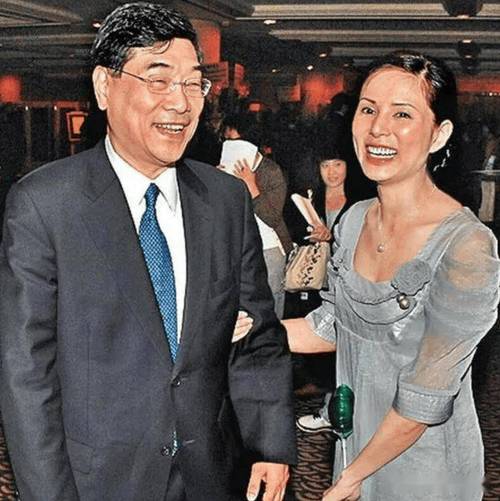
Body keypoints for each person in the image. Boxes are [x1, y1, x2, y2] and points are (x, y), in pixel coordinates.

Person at [0, 4, 296, 501]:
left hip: (211, 475)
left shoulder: (224, 201)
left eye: (193, 84)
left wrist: (270, 444)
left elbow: (258, 337)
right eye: (159, 80)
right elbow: (26, 376)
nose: (180, 103)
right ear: (104, 86)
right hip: (98, 480)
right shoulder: (45, 205)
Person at [234, 52, 500, 500]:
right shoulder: (354, 220)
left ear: (439, 135)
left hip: (425, 465)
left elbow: (424, 398)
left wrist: (352, 476)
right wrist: (247, 328)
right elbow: (332, 326)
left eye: (402, 114)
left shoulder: (467, 246)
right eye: (369, 109)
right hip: (355, 445)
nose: (379, 128)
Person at [221, 113, 293, 319]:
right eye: (227, 141)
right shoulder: (225, 169)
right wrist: (218, 184)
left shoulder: (270, 171)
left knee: (270, 308)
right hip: (237, 248)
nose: (230, 147)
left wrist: (251, 186)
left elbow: (273, 217)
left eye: (235, 141)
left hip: (269, 249)